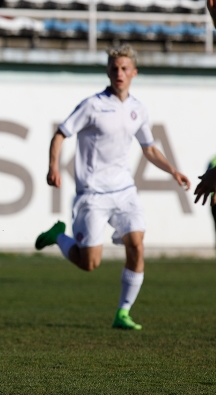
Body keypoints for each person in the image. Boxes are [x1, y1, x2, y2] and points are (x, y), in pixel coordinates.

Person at [35, 45, 190, 331]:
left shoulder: (137, 109)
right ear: (108, 71)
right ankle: (58, 236)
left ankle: (123, 312)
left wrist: (173, 170)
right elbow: (60, 134)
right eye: (114, 68)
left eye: (124, 68)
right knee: (89, 263)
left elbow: (149, 148)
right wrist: (53, 166)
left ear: (134, 73)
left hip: (124, 191)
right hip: (92, 194)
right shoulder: (92, 105)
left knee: (137, 245)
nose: (119, 73)